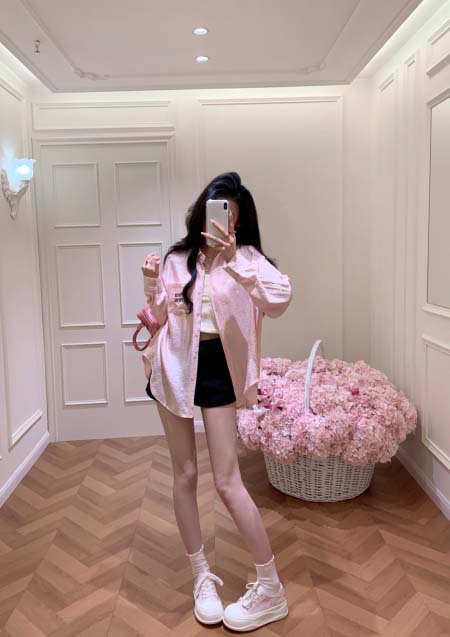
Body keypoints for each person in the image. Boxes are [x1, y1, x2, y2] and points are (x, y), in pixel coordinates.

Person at [140, 171, 292, 632]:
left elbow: (280, 299)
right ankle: (201, 576)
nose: (222, 221)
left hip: (220, 368)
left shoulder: (247, 259)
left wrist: (234, 260)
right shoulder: (178, 259)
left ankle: (271, 588)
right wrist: (151, 286)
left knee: (227, 481)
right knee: (185, 473)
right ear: (201, 211)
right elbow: (160, 317)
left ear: (239, 221)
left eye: (231, 214)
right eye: (216, 209)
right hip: (175, 368)